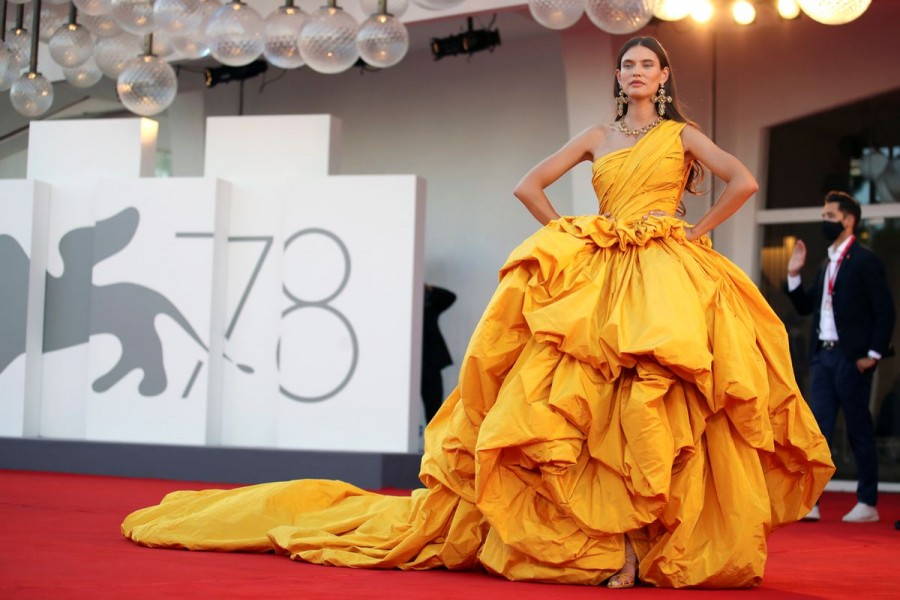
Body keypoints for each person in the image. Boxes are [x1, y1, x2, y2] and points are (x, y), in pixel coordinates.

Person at [122, 37, 834, 589]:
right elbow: (529, 186)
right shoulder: (595, 136)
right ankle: (612, 546)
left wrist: (689, 232)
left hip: (665, 270)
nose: (638, 72)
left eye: (648, 63)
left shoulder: (681, 137)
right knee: (581, 405)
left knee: (658, 401)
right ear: (619, 78)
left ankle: (654, 543)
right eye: (630, 65)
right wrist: (574, 230)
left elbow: (744, 181)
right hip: (601, 265)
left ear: (665, 76)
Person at [786, 191, 895, 523]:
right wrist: (793, 274)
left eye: (830, 216)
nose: (824, 221)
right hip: (823, 358)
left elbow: (885, 311)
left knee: (858, 429)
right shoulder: (825, 263)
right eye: (823, 216)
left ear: (848, 220)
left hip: (852, 359)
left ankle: (867, 502)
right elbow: (807, 307)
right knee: (818, 432)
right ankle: (813, 501)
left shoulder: (864, 260)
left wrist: (872, 355)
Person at [421, 284, 457, 423]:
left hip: (430, 363)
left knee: (434, 408)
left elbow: (449, 297)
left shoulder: (429, 306)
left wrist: (428, 287)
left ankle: (433, 443)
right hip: (406, 364)